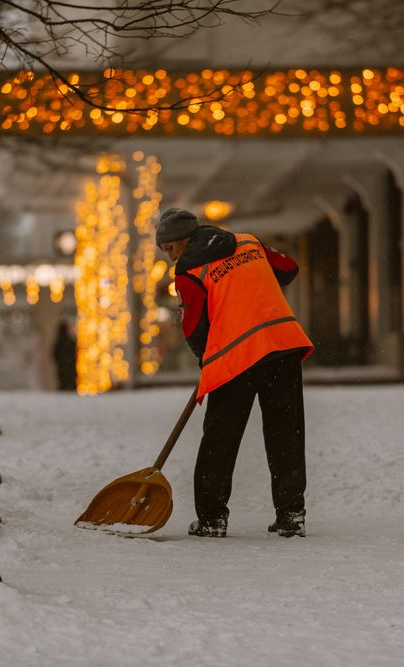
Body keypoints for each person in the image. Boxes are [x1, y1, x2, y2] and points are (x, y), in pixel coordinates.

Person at [156, 207, 314, 538]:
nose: (170, 257)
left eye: (170, 248)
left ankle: (212, 518)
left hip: (237, 355)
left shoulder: (188, 269)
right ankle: (291, 515)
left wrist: (205, 356)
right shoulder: (248, 242)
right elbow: (288, 268)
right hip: (281, 345)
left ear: (183, 240)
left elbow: (194, 325)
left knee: (220, 439)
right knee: (285, 434)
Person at [52, 320, 77, 392]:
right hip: (68, 368)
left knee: (64, 383)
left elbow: (54, 354)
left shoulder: (59, 343)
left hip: (64, 369)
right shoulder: (70, 343)